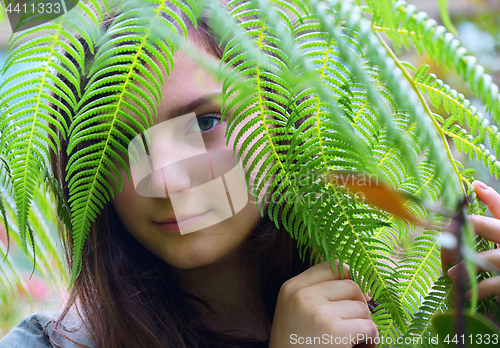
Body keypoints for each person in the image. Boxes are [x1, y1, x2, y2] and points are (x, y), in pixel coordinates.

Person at [1, 2, 500, 348]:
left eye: (204, 123)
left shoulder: (402, 322)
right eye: (119, 141)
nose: (169, 182)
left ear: (283, 117)